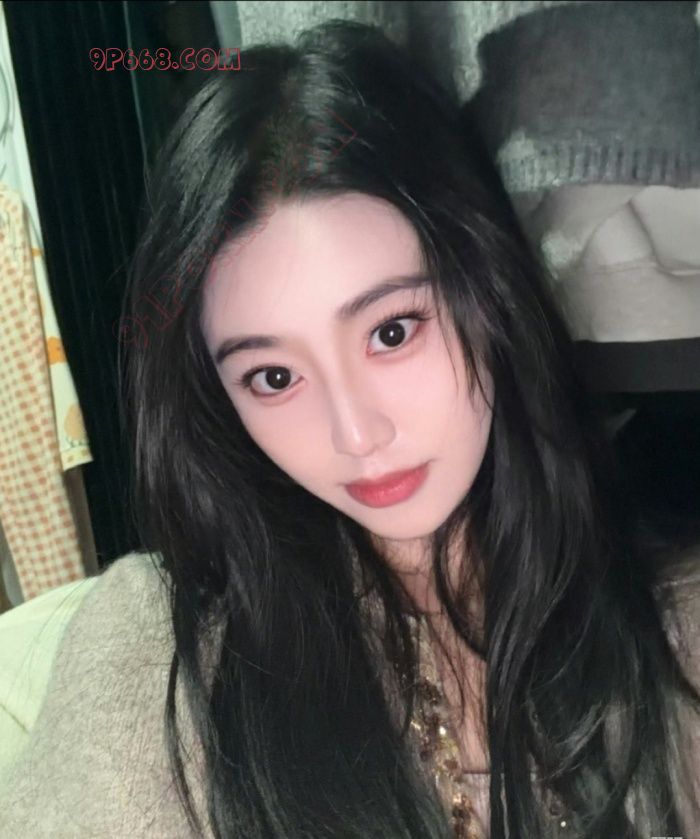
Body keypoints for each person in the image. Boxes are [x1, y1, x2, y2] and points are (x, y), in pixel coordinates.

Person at [1, 19, 699, 839]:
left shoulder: (670, 620)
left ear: (488, 291)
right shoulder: (156, 661)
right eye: (273, 377)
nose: (356, 434)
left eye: (392, 331)